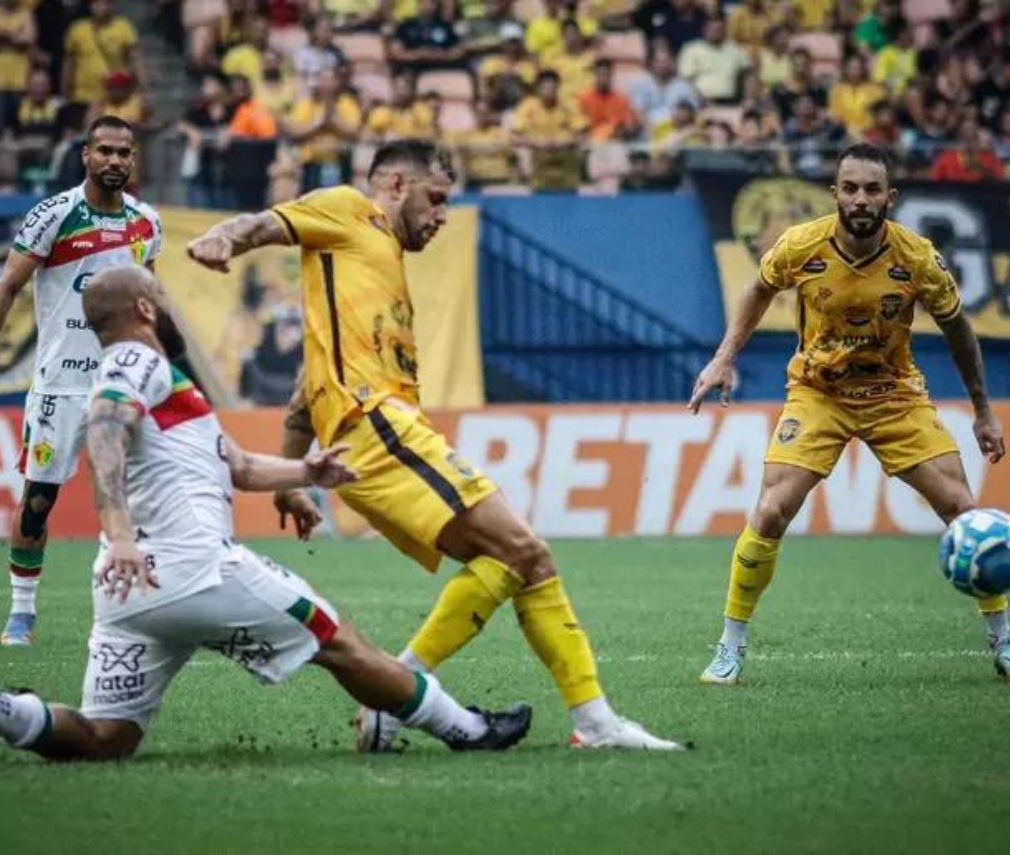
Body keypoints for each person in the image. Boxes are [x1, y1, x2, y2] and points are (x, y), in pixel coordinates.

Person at [187, 139, 688, 751]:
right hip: (378, 429)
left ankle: (553, 714)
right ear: (396, 185)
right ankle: (439, 698)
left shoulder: (371, 265)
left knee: (521, 561)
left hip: (377, 437)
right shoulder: (347, 209)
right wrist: (225, 239)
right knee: (521, 548)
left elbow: (304, 390)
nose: (443, 215)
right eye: (436, 198)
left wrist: (295, 476)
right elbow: (265, 222)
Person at [0, 267, 532, 762]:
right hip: (196, 569)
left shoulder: (169, 386)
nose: (167, 304)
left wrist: (305, 474)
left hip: (131, 593)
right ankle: (469, 730)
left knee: (107, 738)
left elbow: (234, 466)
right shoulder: (137, 362)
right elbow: (104, 427)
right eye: (159, 294)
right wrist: (120, 531)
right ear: (146, 310)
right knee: (338, 640)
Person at [689, 143, 1010, 686]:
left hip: (893, 394)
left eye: (872, 189)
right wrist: (724, 357)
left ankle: (1005, 642)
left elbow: (959, 330)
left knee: (963, 508)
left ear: (890, 197)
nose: (860, 199)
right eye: (850, 188)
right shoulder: (799, 245)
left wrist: (982, 410)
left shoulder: (917, 258)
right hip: (818, 392)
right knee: (770, 512)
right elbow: (759, 289)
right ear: (835, 194)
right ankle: (730, 645)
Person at [0, 116, 163, 647]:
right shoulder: (54, 215)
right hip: (61, 383)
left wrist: (161, 369)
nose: (115, 161)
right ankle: (21, 611)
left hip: (125, 382)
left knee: (139, 498)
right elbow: (5, 288)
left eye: (125, 152)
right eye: (105, 151)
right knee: (40, 499)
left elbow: (148, 305)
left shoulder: (147, 224)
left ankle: (137, 609)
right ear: (85, 156)